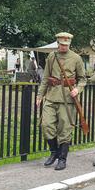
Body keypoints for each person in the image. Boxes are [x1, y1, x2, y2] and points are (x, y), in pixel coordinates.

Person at [36, 32, 86, 171]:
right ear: (57, 43)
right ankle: (54, 152)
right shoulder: (52, 56)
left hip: (67, 99)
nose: (64, 47)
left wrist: (77, 89)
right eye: (62, 44)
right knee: (46, 125)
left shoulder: (76, 58)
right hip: (51, 96)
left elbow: (83, 79)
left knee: (65, 129)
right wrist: (40, 95)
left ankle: (62, 159)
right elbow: (46, 77)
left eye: (66, 45)